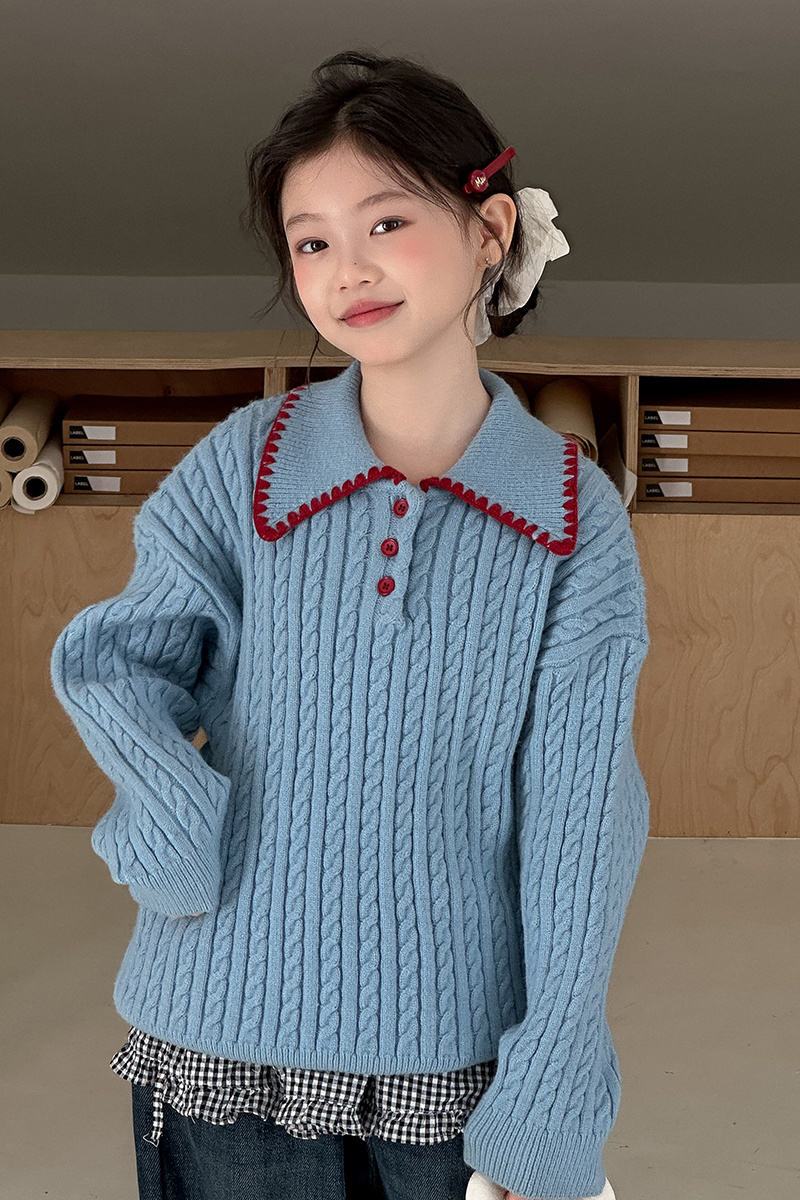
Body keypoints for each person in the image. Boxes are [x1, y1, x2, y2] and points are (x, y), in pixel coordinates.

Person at [50, 47, 648, 1200]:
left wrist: (553, 1073)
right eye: (311, 241)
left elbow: (580, 824)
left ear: (489, 230)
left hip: (449, 1063)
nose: (347, 269)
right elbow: (116, 660)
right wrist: (170, 813)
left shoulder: (572, 520)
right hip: (217, 1040)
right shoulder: (246, 464)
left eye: (385, 222)